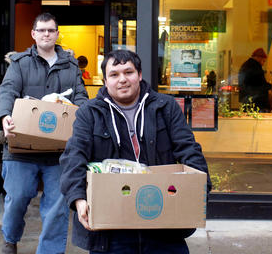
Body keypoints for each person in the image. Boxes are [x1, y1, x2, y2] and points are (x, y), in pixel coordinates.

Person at [59, 50, 211, 254]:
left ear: (139, 75)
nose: (122, 79)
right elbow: (74, 157)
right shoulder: (90, 112)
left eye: (128, 72)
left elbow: (188, 149)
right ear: (105, 80)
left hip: (163, 221)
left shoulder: (165, 107)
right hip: (111, 228)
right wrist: (78, 198)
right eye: (114, 74)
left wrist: (199, 188)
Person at [0, 12, 89, 254]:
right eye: (42, 30)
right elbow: (7, 91)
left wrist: (76, 113)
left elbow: (81, 97)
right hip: (20, 148)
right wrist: (4, 116)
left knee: (57, 208)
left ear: (57, 34)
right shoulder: (20, 63)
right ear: (33, 34)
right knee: (16, 199)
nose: (46, 34)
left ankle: (50, 251)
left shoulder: (71, 65)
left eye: (51, 30)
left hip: (59, 152)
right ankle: (10, 240)